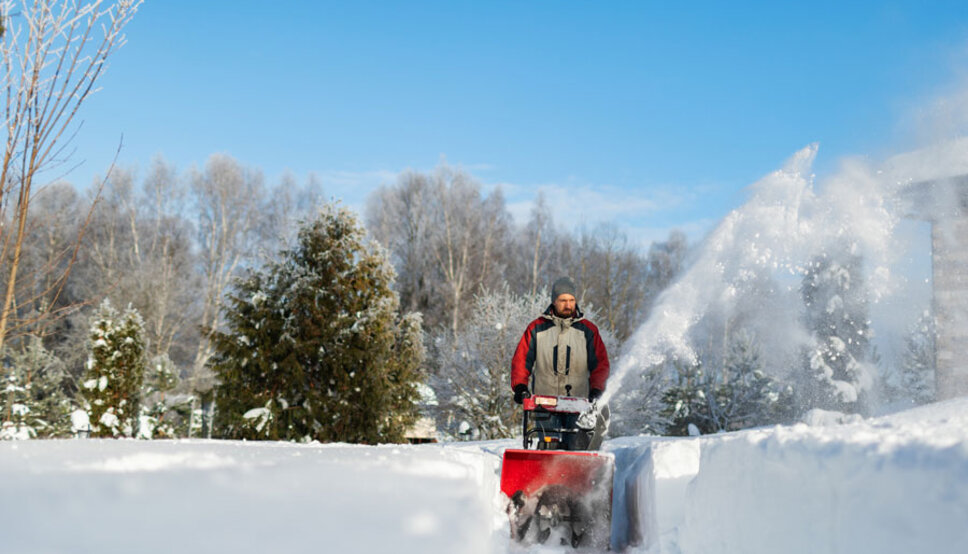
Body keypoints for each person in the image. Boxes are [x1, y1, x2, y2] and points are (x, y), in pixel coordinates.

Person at [511, 277, 610, 404]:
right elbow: (521, 360)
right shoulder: (536, 328)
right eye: (563, 300)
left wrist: (597, 389)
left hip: (579, 403)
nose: (568, 305)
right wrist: (520, 387)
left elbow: (600, 364)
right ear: (554, 301)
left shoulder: (588, 331)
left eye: (571, 300)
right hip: (544, 403)